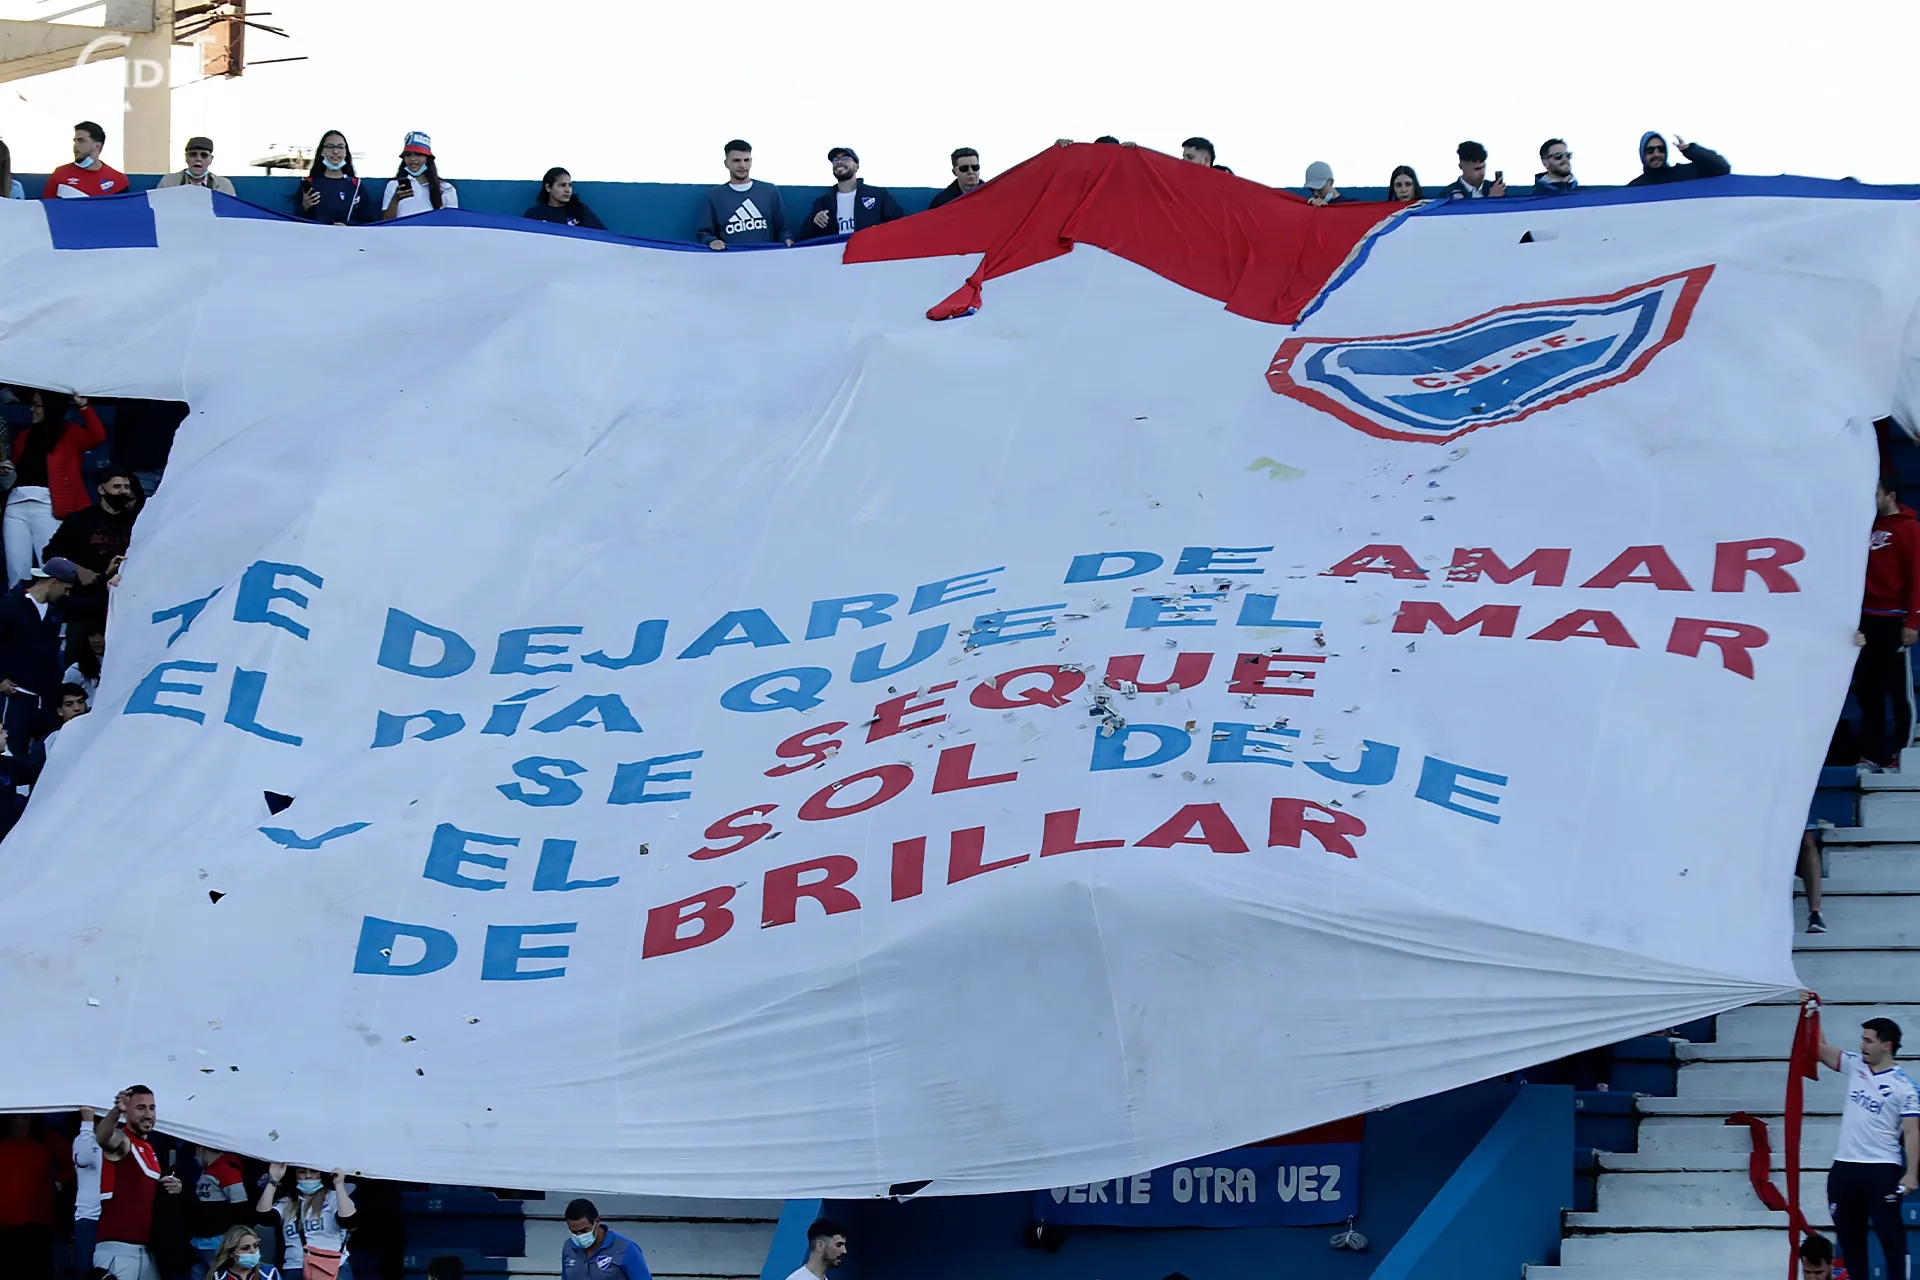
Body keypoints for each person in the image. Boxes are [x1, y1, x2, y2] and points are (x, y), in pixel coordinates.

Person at [1815, 1017, 1918, 1280]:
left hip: (1881, 1169)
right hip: (1845, 1166)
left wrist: (1911, 1174)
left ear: (1886, 1045)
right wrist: (1811, 1011)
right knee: (1850, 1242)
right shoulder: (1855, 1065)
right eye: (1862, 1039)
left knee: (1890, 1238)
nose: (1862, 1045)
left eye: (1868, 1041)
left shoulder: (1905, 1086)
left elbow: (1911, 1131)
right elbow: (1818, 1049)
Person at [5, 390, 107, 587]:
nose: (31, 409)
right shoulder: (23, 437)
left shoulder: (71, 433)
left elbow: (98, 436)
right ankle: (18, 606)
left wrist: (83, 406)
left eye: (37, 405)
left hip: (48, 505)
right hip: (16, 504)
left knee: (51, 567)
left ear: (50, 408)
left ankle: (52, 607)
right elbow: (16, 471)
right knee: (16, 570)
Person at [1855, 475, 1920, 772]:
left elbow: (1917, 576)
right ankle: (1871, 755)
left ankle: (1900, 752)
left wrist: (1913, 621)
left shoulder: (1910, 529)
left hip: (1894, 620)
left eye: (1876, 493)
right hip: (1865, 620)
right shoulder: (1863, 526)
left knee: (1899, 693)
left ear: (1890, 495)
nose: (1871, 499)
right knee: (1868, 692)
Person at [94, 1086, 185, 1280]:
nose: (148, 1114)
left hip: (147, 1251)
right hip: (120, 1250)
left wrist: (171, 1187)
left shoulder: (148, 1148)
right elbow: (103, 1138)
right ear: (126, 1111)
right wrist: (115, 1111)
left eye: (152, 1108)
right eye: (141, 1108)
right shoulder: (123, 1140)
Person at [0, 558, 78, 748]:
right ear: (53, 582)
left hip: (47, 697)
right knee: (13, 750)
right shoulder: (11, 604)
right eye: (66, 589)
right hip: (17, 696)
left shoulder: (56, 607)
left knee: (48, 751)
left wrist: (108, 578)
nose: (67, 594)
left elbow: (88, 606)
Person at [46, 468, 142, 589]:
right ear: (101, 489)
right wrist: (78, 570)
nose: (123, 491)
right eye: (117, 487)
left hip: (124, 585)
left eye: (127, 487)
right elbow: (50, 554)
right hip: (86, 589)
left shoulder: (137, 522)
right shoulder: (79, 519)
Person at [257, 1165, 355, 1280]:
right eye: (302, 1172)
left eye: (314, 1171)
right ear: (295, 1176)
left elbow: (349, 1221)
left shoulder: (334, 1198)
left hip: (333, 1268)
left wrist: (339, 1185)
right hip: (296, 1268)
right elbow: (264, 1217)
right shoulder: (286, 1203)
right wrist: (273, 1181)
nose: (308, 1176)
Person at [0, 1113, 60, 1279]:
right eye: (15, 1117)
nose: (20, 1121)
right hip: (4, 1223)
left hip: (36, 1221)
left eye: (25, 1117)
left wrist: (59, 1182)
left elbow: (74, 1160)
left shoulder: (46, 1139)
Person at [797, 148, 904, 241]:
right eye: (835, 159)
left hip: (870, 253)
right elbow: (804, 237)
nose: (839, 162)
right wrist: (813, 221)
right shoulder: (822, 202)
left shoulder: (879, 195)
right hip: (835, 255)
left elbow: (899, 224)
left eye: (845, 158)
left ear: (856, 166)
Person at [695, 141, 788, 248]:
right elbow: (704, 233)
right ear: (726, 163)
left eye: (746, 160)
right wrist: (712, 241)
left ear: (751, 161)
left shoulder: (770, 191)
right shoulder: (714, 196)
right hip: (731, 256)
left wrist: (786, 238)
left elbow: (783, 228)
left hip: (764, 255)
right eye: (736, 160)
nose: (742, 165)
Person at [185, 1146, 248, 1279]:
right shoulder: (206, 1171)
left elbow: (241, 1208)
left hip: (217, 1242)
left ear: (200, 1148)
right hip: (199, 1242)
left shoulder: (227, 1170)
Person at [111, 399, 187, 497]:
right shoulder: (132, 402)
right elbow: (119, 435)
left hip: (175, 470)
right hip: (140, 469)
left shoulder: (182, 403)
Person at [296, 132, 374, 225]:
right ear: (322, 151)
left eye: (340, 147)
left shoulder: (356, 185)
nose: (335, 151)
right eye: (330, 147)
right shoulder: (309, 183)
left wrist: (348, 226)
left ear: (346, 152)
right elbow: (296, 222)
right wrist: (304, 207)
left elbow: (368, 222)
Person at [560, 1198, 650, 1280]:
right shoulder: (569, 1247)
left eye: (584, 1230)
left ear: (597, 1221)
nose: (579, 1236)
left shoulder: (626, 1249)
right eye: (574, 1232)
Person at [43, 122, 129, 199]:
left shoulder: (118, 180)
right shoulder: (59, 175)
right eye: (75, 141)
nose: (75, 146)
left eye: (81, 141)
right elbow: (47, 208)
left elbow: (123, 210)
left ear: (97, 146)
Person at [382, 132, 456, 220]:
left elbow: (452, 220)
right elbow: (385, 222)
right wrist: (395, 200)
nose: (412, 159)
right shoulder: (393, 185)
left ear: (427, 158)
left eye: (418, 154)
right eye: (408, 155)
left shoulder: (446, 188)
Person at [1628, 132, 1730, 186]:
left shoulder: (1682, 174)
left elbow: (1722, 168)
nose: (1656, 154)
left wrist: (1689, 150)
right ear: (1642, 154)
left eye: (1661, 149)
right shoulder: (1635, 188)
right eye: (1650, 150)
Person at [74, 1105, 105, 1278]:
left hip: (112, 1218)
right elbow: (83, 1159)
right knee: (86, 1272)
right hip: (88, 1218)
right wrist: (86, 1125)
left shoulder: (120, 1141)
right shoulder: (82, 1140)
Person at [524, 167, 606, 230]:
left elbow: (602, 235)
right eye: (562, 185)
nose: (568, 190)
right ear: (548, 187)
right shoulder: (534, 214)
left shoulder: (580, 210)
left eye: (570, 185)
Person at [156, 137, 236, 195]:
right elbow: (158, 206)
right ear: (186, 158)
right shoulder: (169, 182)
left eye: (204, 155)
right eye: (193, 154)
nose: (198, 159)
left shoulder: (223, 185)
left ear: (211, 159)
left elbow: (230, 210)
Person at [207, 1224, 282, 1280]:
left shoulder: (270, 1273)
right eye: (245, 1248)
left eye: (255, 1246)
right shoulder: (218, 1276)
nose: (253, 1251)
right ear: (231, 1253)